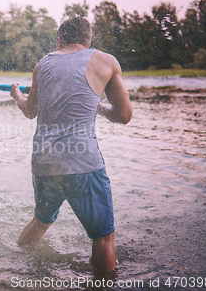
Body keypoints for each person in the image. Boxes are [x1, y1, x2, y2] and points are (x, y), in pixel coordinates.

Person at [10, 16, 133, 272]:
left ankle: (15, 265)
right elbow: (124, 115)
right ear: (89, 40)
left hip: (43, 162)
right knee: (102, 237)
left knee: (41, 221)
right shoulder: (105, 61)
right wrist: (99, 108)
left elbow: (29, 110)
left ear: (60, 40)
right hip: (81, 162)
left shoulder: (42, 64)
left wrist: (17, 95)